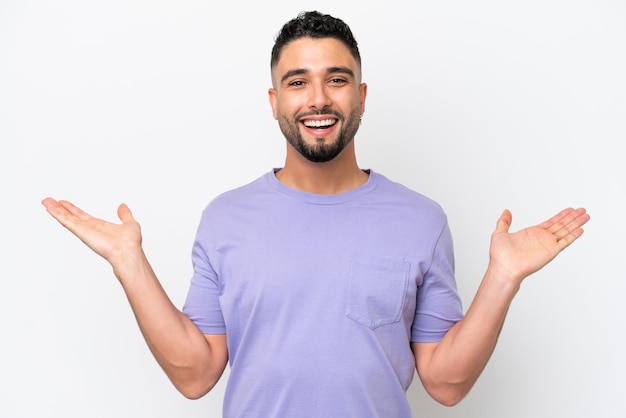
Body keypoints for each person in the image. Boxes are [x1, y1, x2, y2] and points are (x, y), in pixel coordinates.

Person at [41, 11, 590, 418]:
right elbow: (197, 375)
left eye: (337, 78)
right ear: (275, 100)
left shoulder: (421, 219)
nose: (318, 98)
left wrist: (503, 277)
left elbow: (446, 384)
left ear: (362, 94)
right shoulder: (226, 219)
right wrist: (128, 262)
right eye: (298, 82)